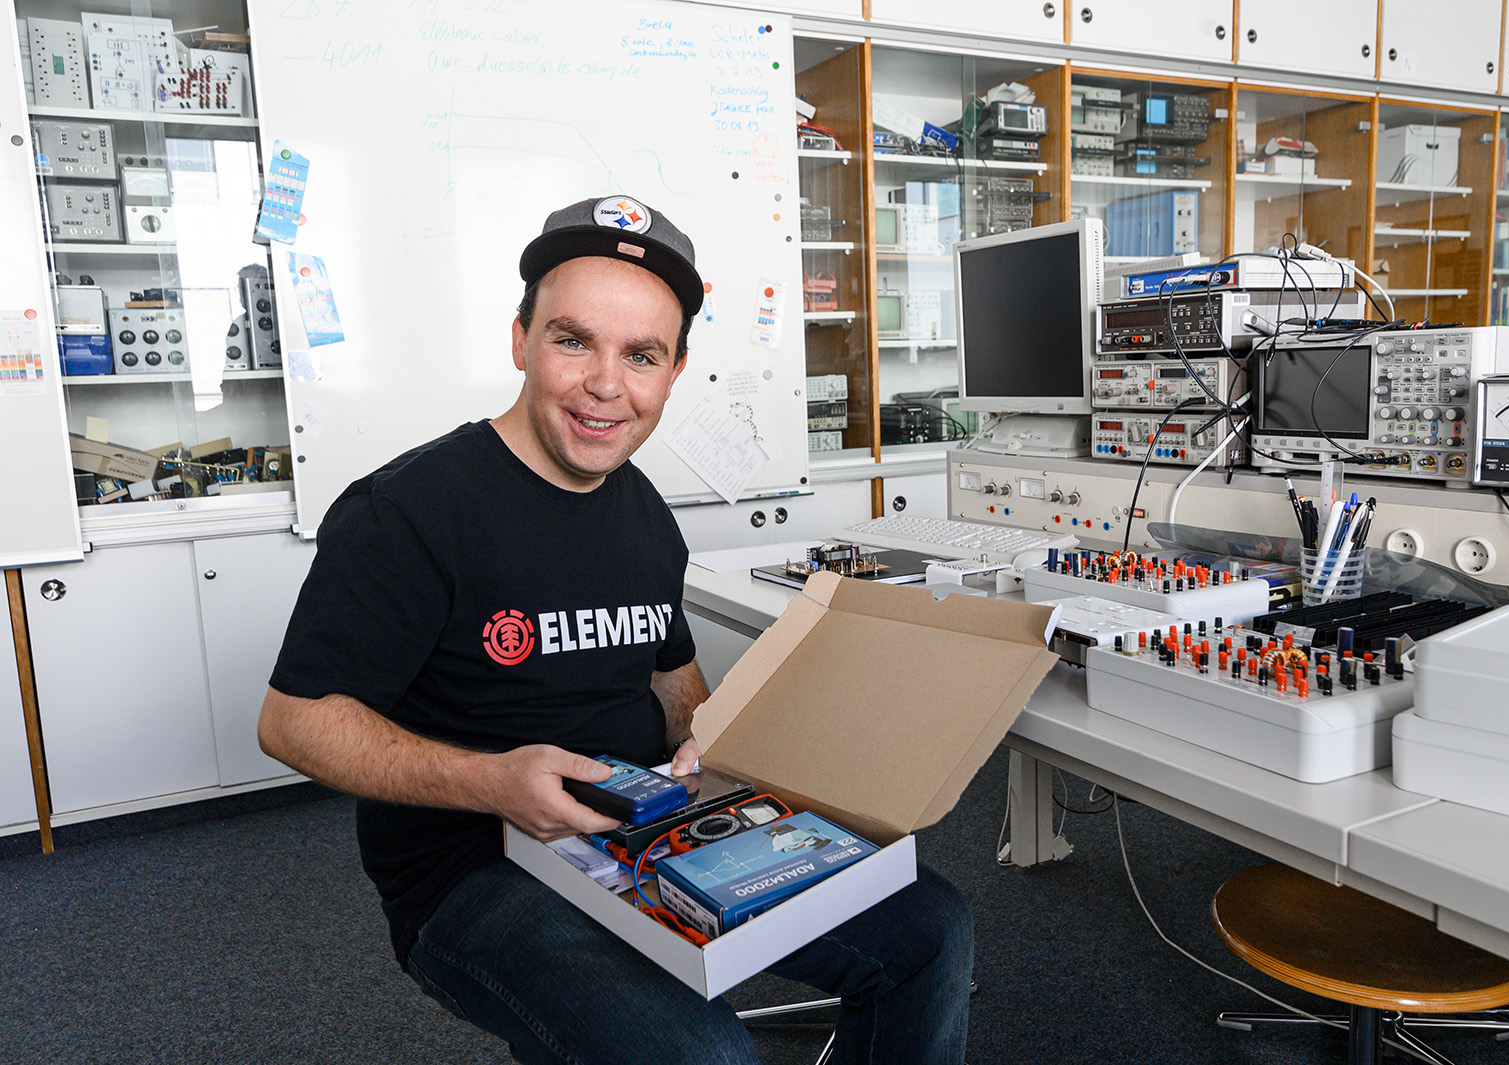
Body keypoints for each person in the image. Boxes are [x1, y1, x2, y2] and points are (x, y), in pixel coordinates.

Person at [258, 195, 974, 1064]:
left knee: (932, 928)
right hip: (475, 870)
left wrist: (729, 750)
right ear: (520, 340)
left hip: (650, 825)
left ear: (674, 371)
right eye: (573, 340)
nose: (607, 385)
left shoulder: (642, 512)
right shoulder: (407, 512)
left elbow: (675, 686)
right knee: (699, 1053)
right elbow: (293, 721)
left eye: (641, 355)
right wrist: (494, 782)